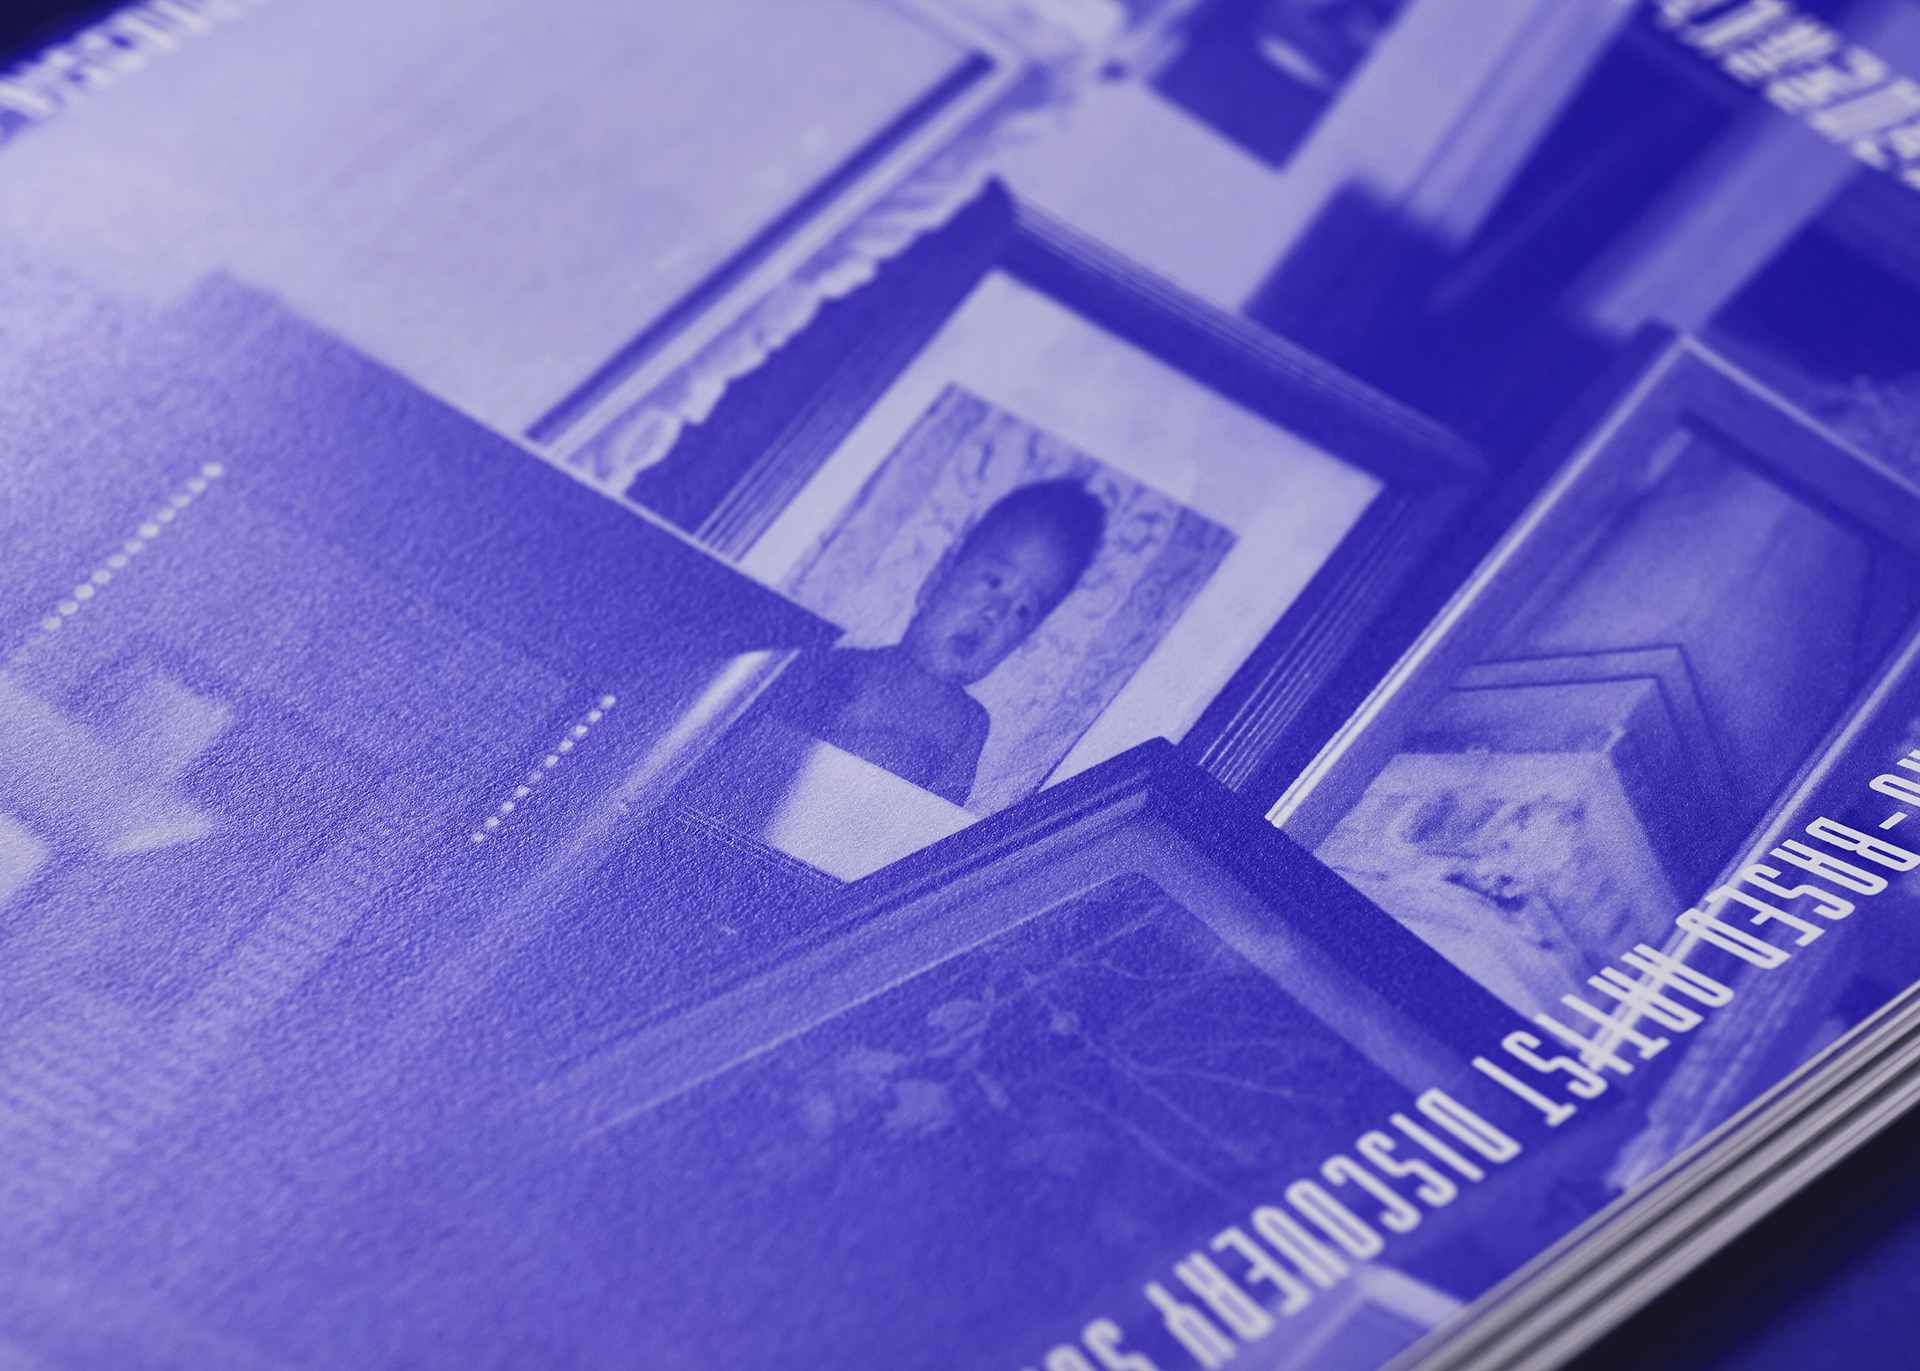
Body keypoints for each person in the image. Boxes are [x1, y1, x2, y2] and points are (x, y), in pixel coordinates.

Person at [762, 479, 1106, 805]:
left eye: (1023, 610)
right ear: (934, 581)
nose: (995, 613)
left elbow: (940, 812)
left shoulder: (969, 724)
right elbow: (776, 745)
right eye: (993, 582)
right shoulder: (846, 667)